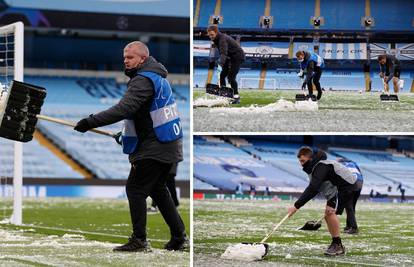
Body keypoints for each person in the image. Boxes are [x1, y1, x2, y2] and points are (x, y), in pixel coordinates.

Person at [74, 41, 187, 252]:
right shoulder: (156, 78)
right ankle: (179, 236)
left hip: (155, 146)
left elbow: (125, 108)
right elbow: (144, 116)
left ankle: (139, 240)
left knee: (135, 189)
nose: (125, 61)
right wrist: (124, 135)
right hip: (167, 144)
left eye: (130, 57)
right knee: (158, 190)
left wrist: (90, 122)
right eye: (124, 57)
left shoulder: (142, 80)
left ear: (142, 59)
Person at [287, 147, 357, 256]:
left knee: (329, 213)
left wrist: (296, 206)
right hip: (336, 188)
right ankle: (336, 244)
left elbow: (313, 188)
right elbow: (316, 187)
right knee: (327, 214)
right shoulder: (315, 167)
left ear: (311, 158)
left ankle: (338, 245)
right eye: (300, 161)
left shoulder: (321, 166)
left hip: (345, 187)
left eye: (303, 161)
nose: (301, 164)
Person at [207, 25, 245, 103]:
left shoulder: (222, 39)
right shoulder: (216, 39)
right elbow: (223, 53)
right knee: (222, 76)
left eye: (212, 34)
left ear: (216, 33)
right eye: (209, 35)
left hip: (237, 56)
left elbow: (223, 53)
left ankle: (236, 97)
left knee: (231, 77)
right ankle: (224, 94)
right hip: (229, 57)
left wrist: (220, 64)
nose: (211, 36)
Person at [337, 158, 363, 234]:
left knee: (348, 206)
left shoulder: (339, 165)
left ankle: (354, 228)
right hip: (360, 183)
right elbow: (360, 174)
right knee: (352, 206)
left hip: (350, 183)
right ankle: (349, 226)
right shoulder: (354, 164)